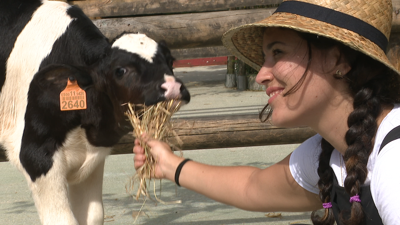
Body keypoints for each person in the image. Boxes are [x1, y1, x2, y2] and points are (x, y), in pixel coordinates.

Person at [133, 0, 400, 224]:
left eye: (278, 52)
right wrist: (168, 165)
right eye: (264, 58)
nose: (261, 75)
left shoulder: (394, 162)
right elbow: (252, 186)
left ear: (337, 59)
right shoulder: (333, 155)